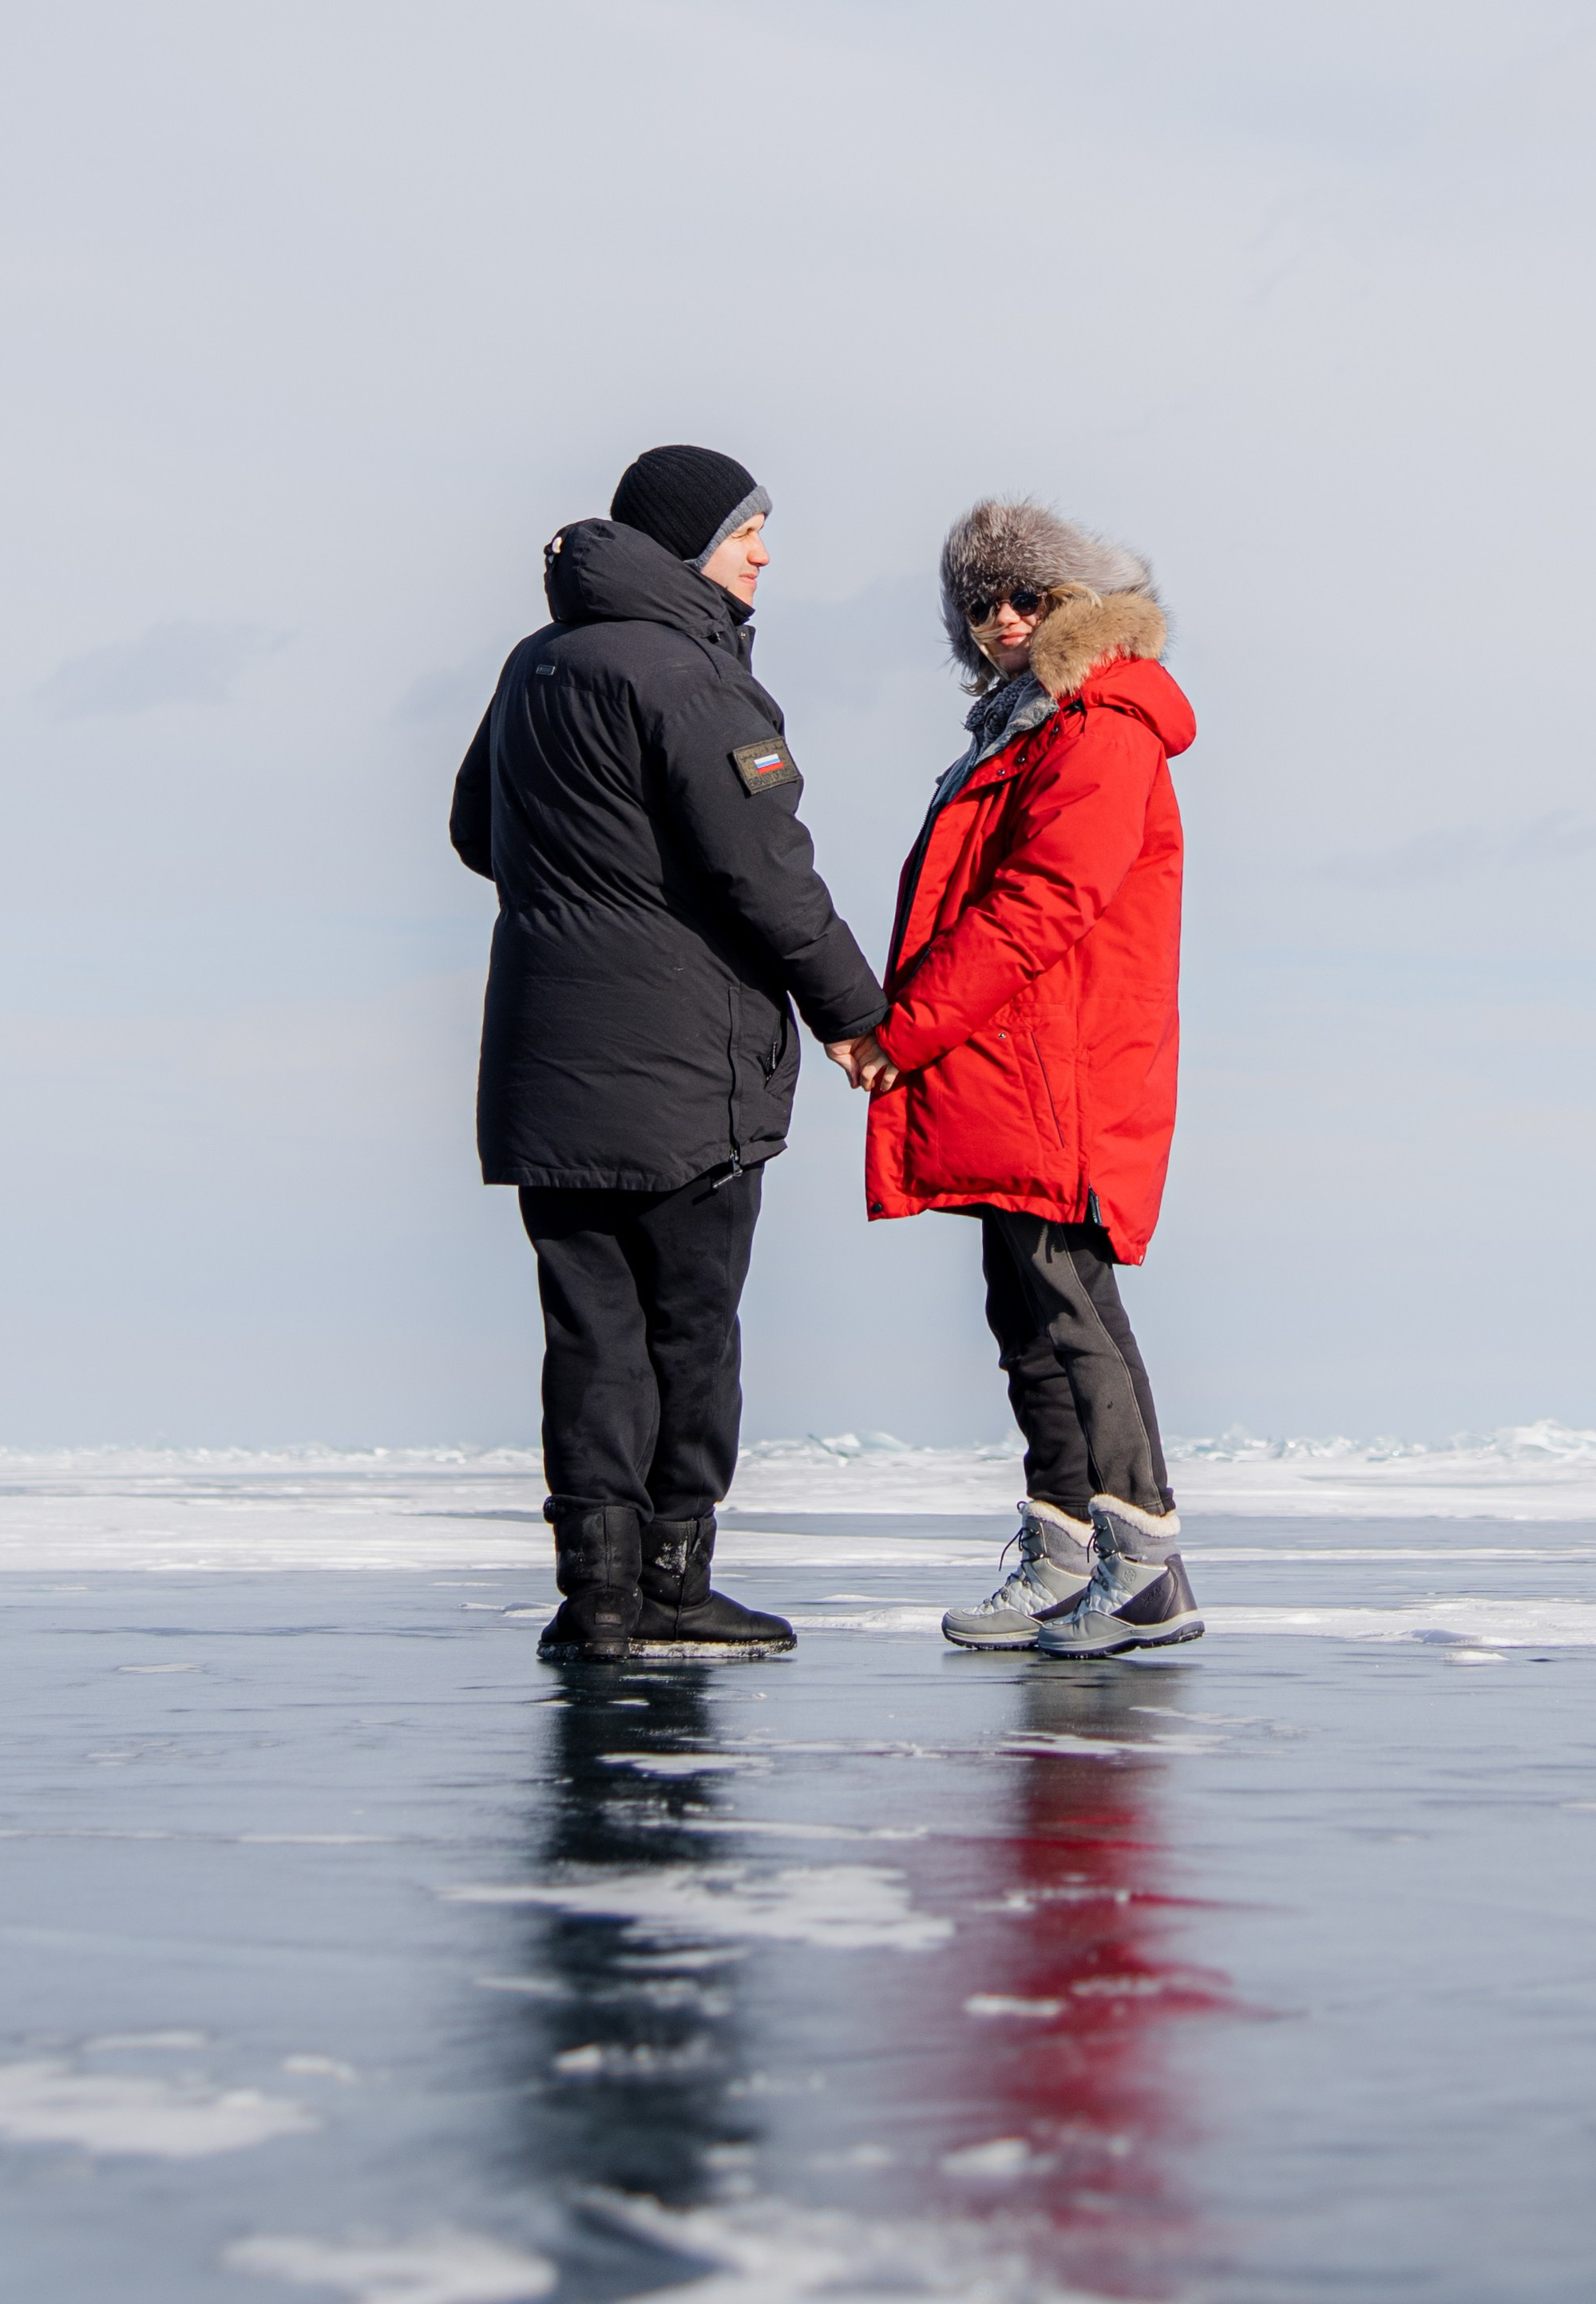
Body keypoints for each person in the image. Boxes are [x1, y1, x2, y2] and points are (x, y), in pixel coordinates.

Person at [451, 445, 888, 1664]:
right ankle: (672, 1582)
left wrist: (587, 877)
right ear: (693, 542)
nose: (765, 554)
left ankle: (593, 1602)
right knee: (690, 1328)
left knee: (589, 1334)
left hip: (548, 1065)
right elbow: (769, 876)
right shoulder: (694, 679)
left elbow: (474, 829)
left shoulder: (535, 664)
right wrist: (856, 1016)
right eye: (751, 531)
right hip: (686, 1068)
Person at [852, 497, 1202, 1658]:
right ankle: (1064, 1550)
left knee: (1070, 1302)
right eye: (979, 604)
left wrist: (909, 1029)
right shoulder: (1024, 723)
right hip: (1015, 1062)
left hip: (1063, 1068)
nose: (1001, 619)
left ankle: (1145, 1560)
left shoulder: (1098, 724)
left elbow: (1042, 902)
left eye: (1026, 598)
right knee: (1025, 1309)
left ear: (1075, 605)